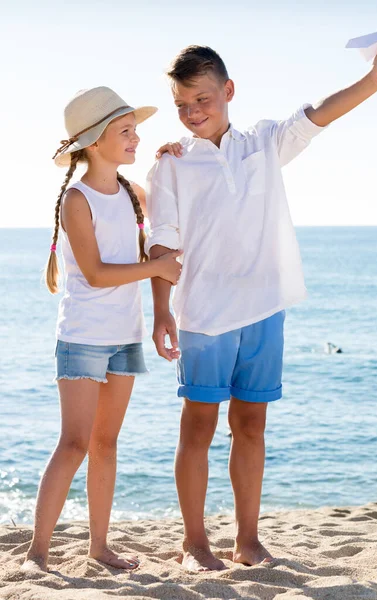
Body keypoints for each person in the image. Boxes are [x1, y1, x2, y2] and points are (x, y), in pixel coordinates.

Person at [146, 38, 377, 571]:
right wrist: (162, 311)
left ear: (228, 91)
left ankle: (247, 540)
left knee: (252, 427)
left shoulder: (263, 144)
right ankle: (194, 543)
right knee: (197, 427)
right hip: (206, 316)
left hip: (265, 309)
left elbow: (317, 116)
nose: (193, 112)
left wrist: (376, 80)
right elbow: (160, 248)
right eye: (182, 104)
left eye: (203, 99)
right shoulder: (170, 165)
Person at [22, 86, 182, 573]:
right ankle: (37, 553)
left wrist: (171, 162)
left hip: (125, 336)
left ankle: (99, 547)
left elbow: (172, 209)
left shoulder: (133, 194)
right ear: (94, 142)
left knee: (105, 444)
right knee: (73, 444)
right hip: (83, 337)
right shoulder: (76, 198)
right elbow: (95, 273)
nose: (135, 138)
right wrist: (155, 271)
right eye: (126, 131)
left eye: (136, 130)